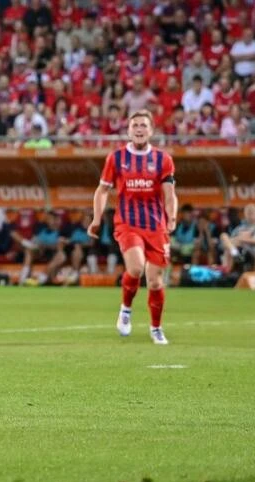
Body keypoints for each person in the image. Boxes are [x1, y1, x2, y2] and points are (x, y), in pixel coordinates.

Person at [88, 109, 177, 345]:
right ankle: (126, 308)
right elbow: (102, 190)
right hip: (127, 223)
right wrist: (96, 219)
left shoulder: (163, 159)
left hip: (156, 226)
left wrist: (172, 216)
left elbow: (170, 194)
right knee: (136, 268)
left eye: (143, 125)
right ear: (128, 130)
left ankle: (156, 328)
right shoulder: (115, 158)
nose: (139, 129)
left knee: (156, 281)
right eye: (135, 125)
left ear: (151, 130)